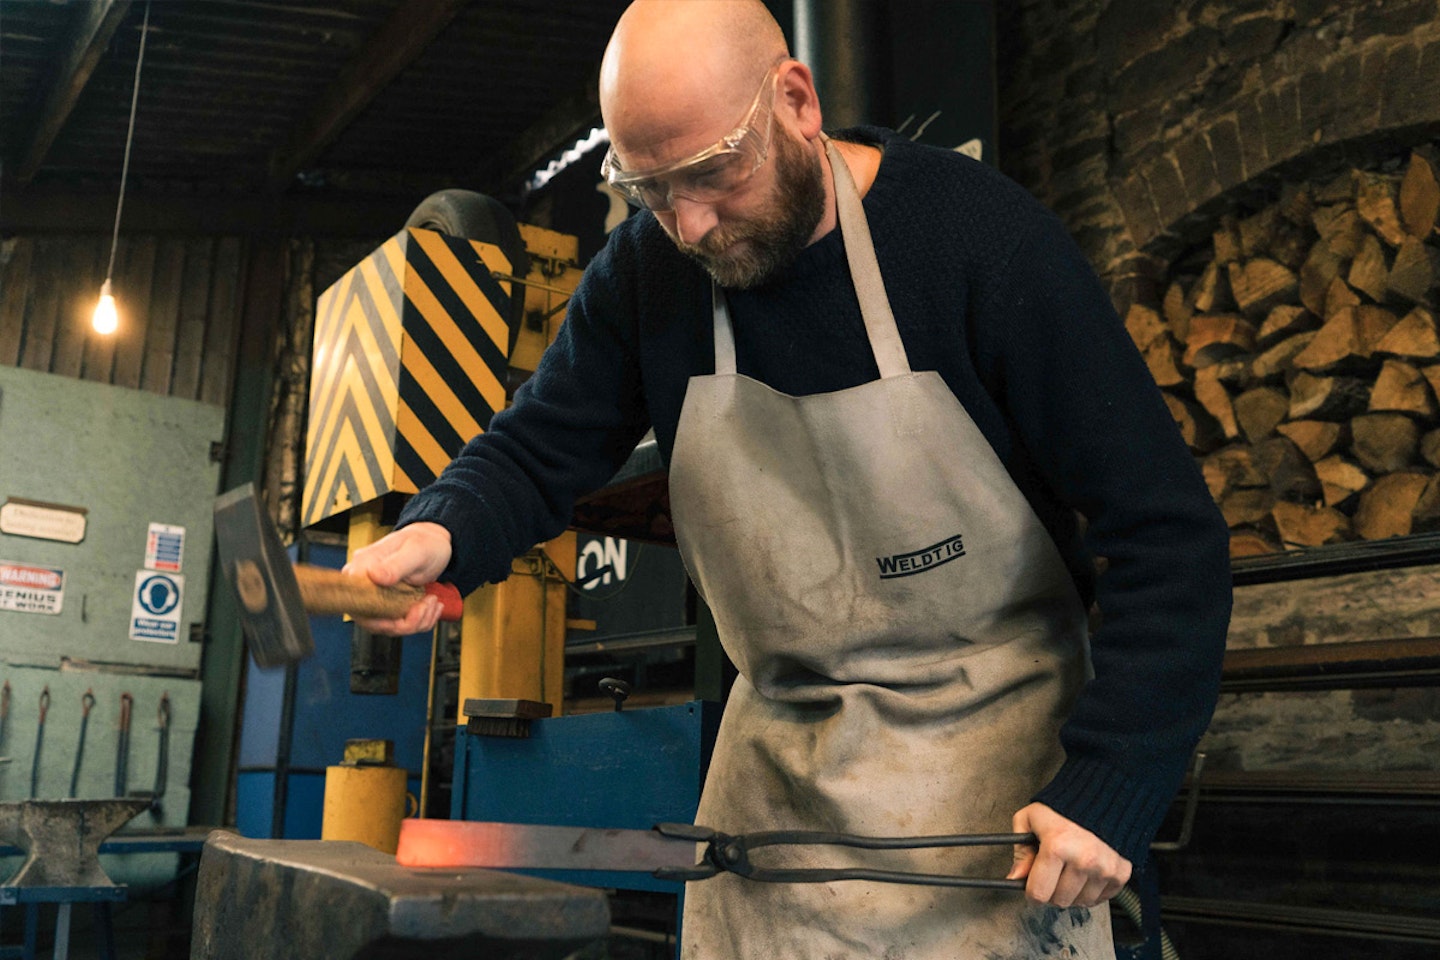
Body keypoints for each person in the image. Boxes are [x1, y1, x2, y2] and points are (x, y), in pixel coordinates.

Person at [346, 1, 1232, 956]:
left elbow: (1167, 537)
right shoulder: (650, 271)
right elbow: (536, 446)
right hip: (776, 795)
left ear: (797, 102)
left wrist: (1110, 786)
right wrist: (440, 533)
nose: (688, 223)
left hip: (998, 793)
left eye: (712, 175)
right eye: (649, 189)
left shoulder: (979, 241)